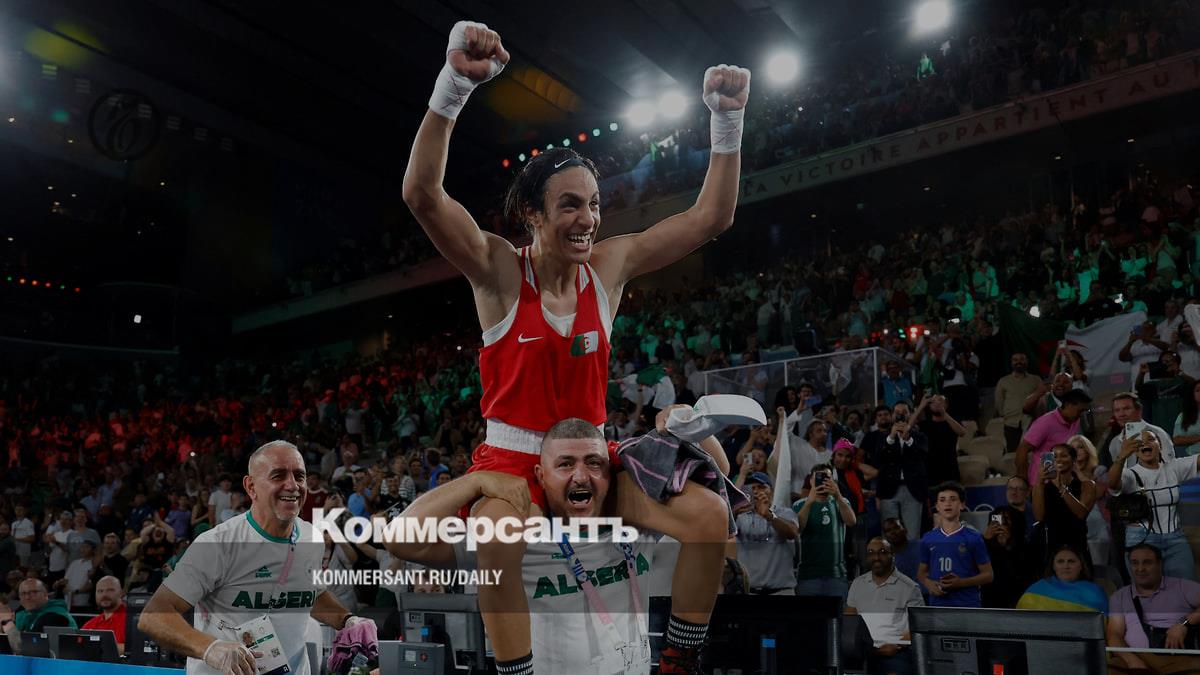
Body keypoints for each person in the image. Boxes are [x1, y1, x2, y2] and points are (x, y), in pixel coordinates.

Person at [404, 19, 750, 674]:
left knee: (708, 516)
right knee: (495, 540)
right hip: (513, 458)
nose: (587, 219)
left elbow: (712, 218)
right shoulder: (500, 271)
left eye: (593, 204)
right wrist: (454, 87)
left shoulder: (608, 268)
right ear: (532, 215)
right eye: (569, 205)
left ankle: (680, 658)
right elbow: (421, 195)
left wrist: (726, 120)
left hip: (592, 450)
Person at [137, 441, 373, 675]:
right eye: (278, 476)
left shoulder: (311, 537)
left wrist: (348, 620)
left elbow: (310, 594)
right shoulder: (218, 544)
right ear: (251, 487)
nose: (292, 485)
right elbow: (153, 616)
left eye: (299, 476)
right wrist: (210, 648)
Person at [1108, 430, 1200, 580]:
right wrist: (1121, 457)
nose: (1145, 443)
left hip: (1175, 539)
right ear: (1135, 451)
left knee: (1185, 586)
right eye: (1140, 442)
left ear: (1160, 446)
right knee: (1147, 589)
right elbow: (1112, 483)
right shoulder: (1130, 474)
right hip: (1141, 539)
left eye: (1151, 439)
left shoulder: (1173, 467)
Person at [1107, 544, 1200, 674]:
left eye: (1147, 562)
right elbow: (1114, 635)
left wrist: (1184, 623)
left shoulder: (1182, 586)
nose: (1140, 569)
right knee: (1108, 668)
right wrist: (1133, 662)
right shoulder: (1120, 596)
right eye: (1135, 563)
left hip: (1179, 660)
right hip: (1136, 659)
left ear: (1159, 564)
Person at [845, 537, 923, 675]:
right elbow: (849, 619)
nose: (876, 557)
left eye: (882, 552)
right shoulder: (858, 584)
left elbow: (918, 626)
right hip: (862, 652)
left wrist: (897, 645)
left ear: (892, 555)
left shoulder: (910, 588)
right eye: (871, 552)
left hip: (894, 652)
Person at [917, 482, 994, 608]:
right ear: (937, 506)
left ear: (962, 504)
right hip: (938, 605)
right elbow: (921, 573)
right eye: (942, 500)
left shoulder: (974, 538)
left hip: (967, 605)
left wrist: (961, 583)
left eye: (953, 499)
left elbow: (988, 575)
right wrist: (928, 583)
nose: (947, 503)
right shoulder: (928, 538)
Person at [793, 463, 857, 597]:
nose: (822, 482)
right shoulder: (799, 504)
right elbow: (797, 529)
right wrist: (809, 502)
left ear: (833, 481)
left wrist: (838, 496)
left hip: (836, 575)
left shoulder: (841, 502)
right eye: (818, 478)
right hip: (808, 576)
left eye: (827, 478)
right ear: (811, 481)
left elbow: (851, 521)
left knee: (837, 611)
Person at [1032, 443, 1097, 567]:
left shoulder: (1087, 485)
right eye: (1054, 456)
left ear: (1073, 460)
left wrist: (1061, 487)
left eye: (1064, 455)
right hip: (1052, 546)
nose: (1058, 459)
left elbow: (1081, 514)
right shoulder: (1042, 488)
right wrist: (1039, 482)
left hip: (1077, 544)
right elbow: (1039, 516)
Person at [870, 401, 928, 540]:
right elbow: (878, 460)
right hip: (888, 491)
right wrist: (891, 438)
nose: (900, 415)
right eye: (897, 412)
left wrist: (908, 439)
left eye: (904, 412)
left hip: (912, 490)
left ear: (910, 414)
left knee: (912, 535)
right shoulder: (883, 437)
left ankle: (912, 556)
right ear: (892, 415)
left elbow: (923, 456)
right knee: (889, 536)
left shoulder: (919, 436)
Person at [734, 472, 799, 595]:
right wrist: (735, 511)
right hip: (749, 591)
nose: (756, 491)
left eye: (761, 487)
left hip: (781, 591)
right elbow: (723, 533)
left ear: (772, 491)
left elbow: (792, 533)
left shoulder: (784, 512)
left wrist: (769, 515)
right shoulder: (740, 516)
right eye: (752, 488)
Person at [1015, 388, 1092, 487]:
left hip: (1062, 484)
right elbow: (1022, 450)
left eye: (1085, 411)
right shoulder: (1045, 423)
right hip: (1041, 485)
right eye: (1080, 410)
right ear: (1068, 405)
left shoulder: (1075, 421)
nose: (1082, 415)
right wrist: (1023, 481)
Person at [1017, 544, 1108, 614]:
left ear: (1081, 566)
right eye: (1060, 562)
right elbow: (1022, 622)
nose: (1066, 566)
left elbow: (1103, 625)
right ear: (1053, 566)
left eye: (1071, 561)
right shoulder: (1037, 589)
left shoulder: (1095, 592)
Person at [0, 578, 77, 654]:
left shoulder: (55, 615)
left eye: (33, 592)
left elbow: (24, 648)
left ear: (45, 594)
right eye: (23, 594)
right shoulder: (24, 611)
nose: (27, 597)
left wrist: (7, 621)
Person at [980, 505, 1032, 609]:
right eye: (997, 521)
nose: (1000, 526)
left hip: (1017, 603)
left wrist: (1007, 546)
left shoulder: (1026, 548)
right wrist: (985, 540)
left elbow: (1019, 575)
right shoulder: (984, 545)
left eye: (1005, 522)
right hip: (989, 604)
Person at [994, 353, 1041, 452]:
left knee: (1031, 452)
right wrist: (1005, 414)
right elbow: (999, 401)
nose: (1018, 362)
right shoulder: (1003, 381)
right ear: (1011, 363)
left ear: (1027, 361)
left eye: (1022, 359)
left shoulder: (1035, 380)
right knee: (1012, 453)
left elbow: (1042, 399)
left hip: (1031, 422)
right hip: (1011, 422)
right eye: (1015, 360)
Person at [82, 575, 128, 655]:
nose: (104, 595)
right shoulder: (90, 625)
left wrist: (97, 647)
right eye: (100, 591)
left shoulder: (133, 620)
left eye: (110, 590)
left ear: (121, 593)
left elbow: (139, 649)